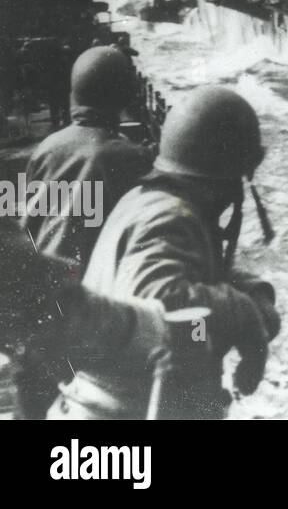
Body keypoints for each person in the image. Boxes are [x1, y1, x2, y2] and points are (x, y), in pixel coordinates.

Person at [48, 86, 279, 420]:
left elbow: (192, 284)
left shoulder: (150, 201)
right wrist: (242, 313)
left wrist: (253, 294)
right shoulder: (172, 216)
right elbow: (160, 305)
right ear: (239, 171)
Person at [13, 46, 152, 418]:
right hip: (89, 309)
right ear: (122, 96)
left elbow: (29, 224)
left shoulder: (47, 148)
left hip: (41, 300)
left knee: (32, 393)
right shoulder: (129, 156)